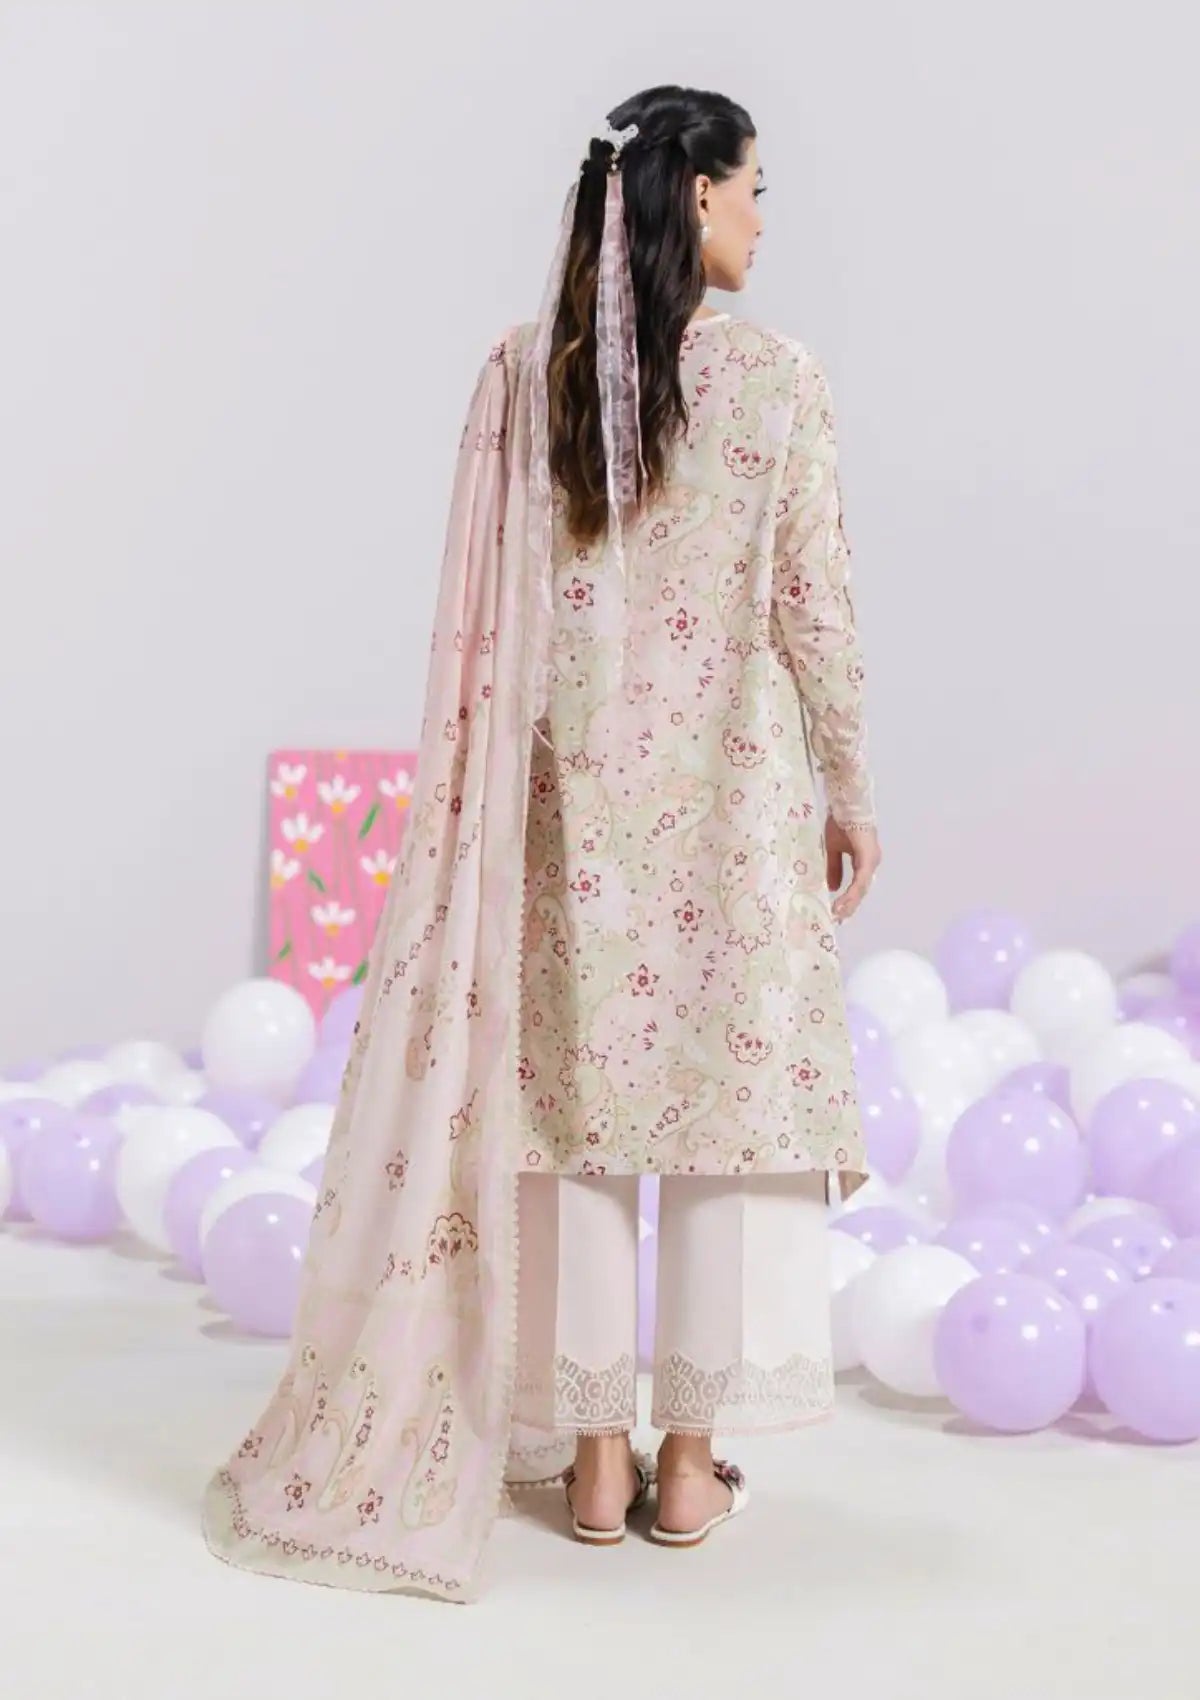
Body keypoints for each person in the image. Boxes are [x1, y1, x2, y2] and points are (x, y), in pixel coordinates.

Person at [201, 83, 881, 1603]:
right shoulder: (777, 382)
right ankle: (688, 1465)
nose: (763, 219)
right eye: (754, 190)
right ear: (696, 195)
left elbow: (483, 613)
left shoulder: (529, 372)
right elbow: (814, 608)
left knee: (575, 1114)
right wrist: (853, 785)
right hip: (730, 810)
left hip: (567, 811)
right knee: (720, 1117)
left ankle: (589, 1462)